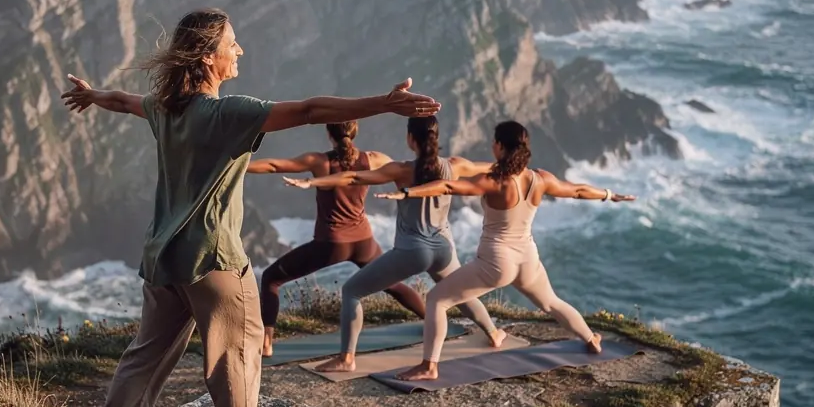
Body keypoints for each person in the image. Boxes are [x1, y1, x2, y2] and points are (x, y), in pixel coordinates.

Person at [61, 7, 440, 407]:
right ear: (207, 57)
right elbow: (309, 111)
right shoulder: (227, 113)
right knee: (237, 352)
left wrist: (93, 95)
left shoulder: (164, 108)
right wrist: (383, 104)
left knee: (147, 355)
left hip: (163, 257)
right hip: (214, 258)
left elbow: (123, 101)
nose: (239, 50)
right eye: (232, 44)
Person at [373, 120, 635, 381]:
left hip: (496, 262)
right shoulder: (540, 178)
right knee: (551, 303)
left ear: (499, 146)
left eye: (493, 142)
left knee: (436, 301)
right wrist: (609, 194)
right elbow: (577, 191)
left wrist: (408, 192)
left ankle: (429, 366)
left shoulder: (495, 181)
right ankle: (590, 339)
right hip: (527, 259)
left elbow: (449, 186)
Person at [281, 116, 508, 373]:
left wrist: (312, 182)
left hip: (413, 252)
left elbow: (353, 178)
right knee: (459, 292)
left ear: (410, 139)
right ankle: (493, 333)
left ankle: (346, 359)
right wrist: (519, 166)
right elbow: (491, 168)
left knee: (352, 291)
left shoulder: (401, 170)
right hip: (444, 249)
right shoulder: (455, 165)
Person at [246, 122, 426, 357]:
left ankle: (266, 344)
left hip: (331, 244)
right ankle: (432, 320)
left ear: (329, 134)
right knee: (392, 284)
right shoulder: (373, 159)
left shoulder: (319, 162)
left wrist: (236, 167)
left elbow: (273, 165)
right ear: (355, 132)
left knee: (271, 278)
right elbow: (403, 172)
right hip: (364, 242)